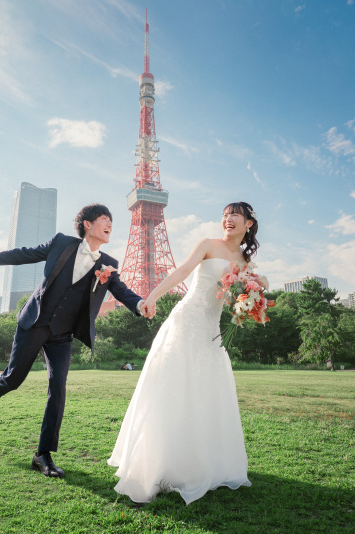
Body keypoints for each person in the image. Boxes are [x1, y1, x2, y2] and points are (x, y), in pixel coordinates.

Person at [0, 204, 147, 479]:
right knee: (13, 378)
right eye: (104, 219)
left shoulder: (108, 264)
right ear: (87, 224)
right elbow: (23, 254)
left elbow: (122, 291)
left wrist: (140, 304)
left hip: (62, 334)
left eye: (111, 221)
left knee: (57, 387)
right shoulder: (62, 243)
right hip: (35, 322)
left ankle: (43, 454)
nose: (110, 225)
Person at [108, 201, 256, 504]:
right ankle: (161, 463)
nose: (228, 220)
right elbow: (183, 271)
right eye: (225, 215)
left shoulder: (245, 261)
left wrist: (244, 307)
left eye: (235, 216)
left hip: (212, 332)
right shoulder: (207, 244)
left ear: (248, 224)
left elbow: (237, 298)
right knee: (172, 387)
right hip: (187, 322)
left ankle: (200, 462)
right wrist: (151, 296)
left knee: (205, 392)